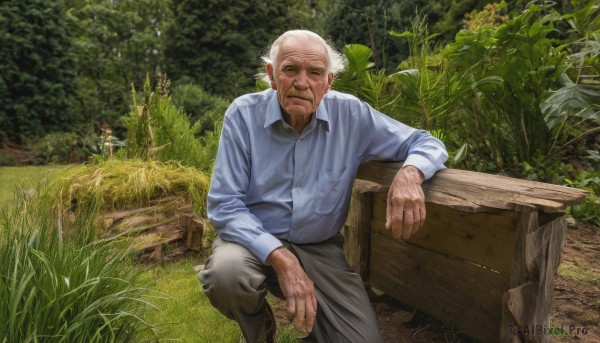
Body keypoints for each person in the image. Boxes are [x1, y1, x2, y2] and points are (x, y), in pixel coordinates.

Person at [199, 30, 448, 343]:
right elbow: (225, 204)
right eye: (290, 70)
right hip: (251, 240)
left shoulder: (352, 115)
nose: (302, 83)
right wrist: (282, 258)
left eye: (314, 73)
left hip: (319, 247)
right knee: (228, 275)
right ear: (272, 75)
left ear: (328, 82)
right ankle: (258, 328)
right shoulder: (243, 116)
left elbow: (425, 141)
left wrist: (411, 173)